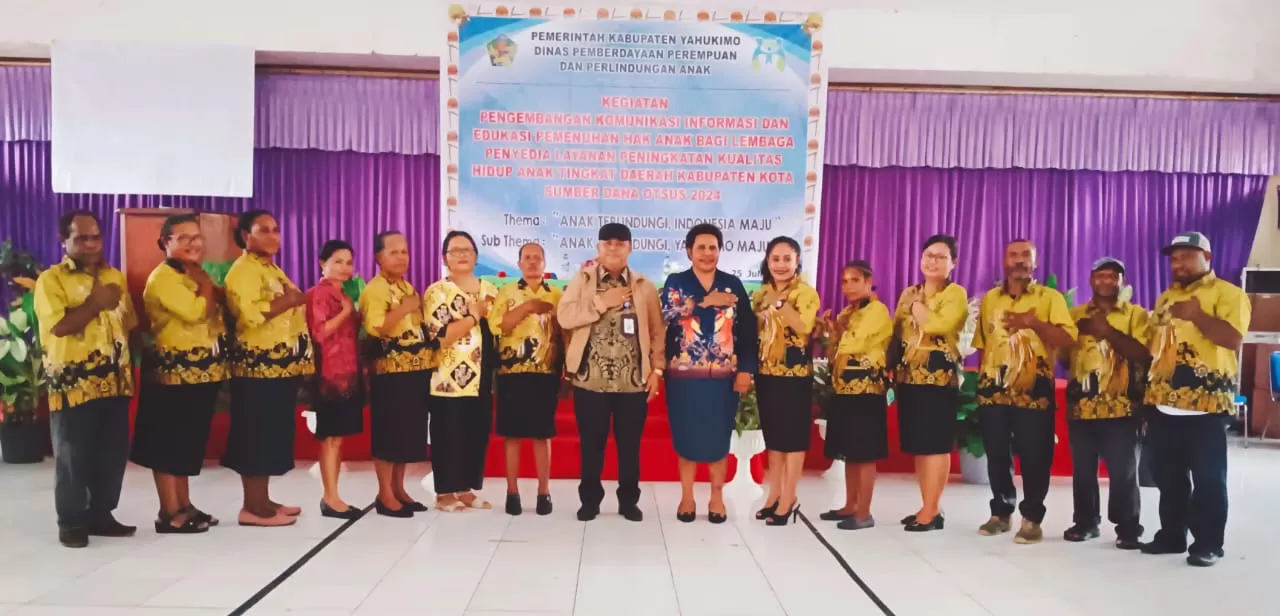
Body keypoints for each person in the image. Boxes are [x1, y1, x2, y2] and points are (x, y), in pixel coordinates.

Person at [1142, 232, 1250, 567]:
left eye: (1187, 256)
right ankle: (1172, 535)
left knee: (1208, 479)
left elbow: (1232, 339)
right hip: (1163, 404)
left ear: (1207, 255)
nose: (1179, 264)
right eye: (1174, 258)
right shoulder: (1165, 298)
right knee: (1168, 477)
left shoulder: (1229, 294)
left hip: (1206, 407)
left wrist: (1197, 315)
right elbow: (1151, 345)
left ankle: (1208, 543)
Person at [34, 210, 138, 548]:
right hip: (73, 384)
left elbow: (129, 324)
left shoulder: (115, 277)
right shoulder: (51, 281)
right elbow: (58, 327)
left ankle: (101, 514)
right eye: (82, 238)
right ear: (63, 241)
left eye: (95, 236)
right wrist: (94, 304)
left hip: (115, 381)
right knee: (72, 454)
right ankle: (72, 521)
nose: (91, 244)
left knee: (110, 453)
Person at [558, 222, 664, 522]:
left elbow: (657, 331)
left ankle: (628, 501)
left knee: (630, 447)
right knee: (591, 444)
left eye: (620, 243)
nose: (614, 247)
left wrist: (657, 369)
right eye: (607, 243)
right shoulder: (583, 280)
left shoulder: (644, 286)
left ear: (630, 248)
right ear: (598, 248)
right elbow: (564, 317)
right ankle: (590, 501)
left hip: (633, 382)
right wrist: (601, 303)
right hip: (590, 380)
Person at [973, 239, 1077, 544]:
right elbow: (983, 343)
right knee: (996, 454)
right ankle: (1001, 512)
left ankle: (1032, 518)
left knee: (1035, 454)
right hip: (994, 388)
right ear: (1005, 260)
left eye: (1025, 256)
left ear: (1035, 261)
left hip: (1034, 387)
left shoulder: (1050, 298)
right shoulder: (991, 298)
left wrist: (1034, 324)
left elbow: (1068, 338)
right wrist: (982, 383)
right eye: (1013, 255)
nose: (1019, 261)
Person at [131, 213, 227, 535]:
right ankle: (168, 511)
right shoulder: (164, 278)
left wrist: (207, 287)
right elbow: (196, 312)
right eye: (182, 238)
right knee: (167, 442)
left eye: (196, 237)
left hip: (198, 372)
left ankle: (184, 505)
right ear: (165, 243)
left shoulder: (194, 274)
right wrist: (206, 288)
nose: (192, 243)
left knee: (186, 441)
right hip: (172, 373)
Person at [660, 224, 757, 524]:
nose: (707, 253)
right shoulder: (676, 282)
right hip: (684, 377)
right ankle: (687, 496)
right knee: (686, 436)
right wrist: (704, 302)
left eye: (713, 247)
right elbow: (666, 315)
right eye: (701, 247)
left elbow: (747, 330)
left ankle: (716, 496)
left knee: (718, 438)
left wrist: (746, 370)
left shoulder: (733, 284)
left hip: (723, 378)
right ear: (689, 251)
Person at [222, 210, 312, 527]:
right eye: (264, 230)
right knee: (257, 434)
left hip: (279, 367)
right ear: (246, 236)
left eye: (275, 229)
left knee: (272, 433)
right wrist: (288, 301)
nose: (273, 235)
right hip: (257, 369)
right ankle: (252, 508)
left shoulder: (269, 268)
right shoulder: (244, 270)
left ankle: (263, 499)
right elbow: (249, 316)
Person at [1061, 257, 1151, 549]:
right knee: (1083, 470)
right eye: (1101, 275)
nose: (1106, 281)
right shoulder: (1074, 315)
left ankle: (1128, 526)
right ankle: (1086, 522)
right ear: (1091, 280)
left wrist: (1107, 331)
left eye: (1113, 276)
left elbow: (1143, 355)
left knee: (1123, 470)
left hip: (1123, 407)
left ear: (1122, 281)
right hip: (1082, 406)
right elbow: (1064, 358)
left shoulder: (1137, 316)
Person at [892, 234, 968, 533]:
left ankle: (932, 510)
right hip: (909, 376)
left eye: (940, 256)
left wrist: (917, 307)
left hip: (939, 378)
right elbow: (897, 330)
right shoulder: (909, 292)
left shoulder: (955, 294)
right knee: (921, 446)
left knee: (936, 445)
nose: (932, 261)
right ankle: (926, 505)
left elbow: (937, 325)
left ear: (953, 263)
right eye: (928, 255)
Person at [360, 231, 434, 518]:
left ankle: (400, 489)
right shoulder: (375, 289)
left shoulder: (406, 286)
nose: (402, 257)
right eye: (394, 252)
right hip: (389, 374)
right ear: (378, 257)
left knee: (406, 434)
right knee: (388, 434)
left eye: (405, 251)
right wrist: (403, 309)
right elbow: (376, 328)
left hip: (414, 370)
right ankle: (385, 494)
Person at [424, 231, 499, 512]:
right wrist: (473, 316)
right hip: (447, 378)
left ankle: (465, 489)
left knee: (475, 433)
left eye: (467, 249)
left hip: (482, 376)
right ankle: (444, 493)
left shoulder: (489, 289)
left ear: (476, 255)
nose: (462, 255)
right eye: (455, 251)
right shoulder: (437, 292)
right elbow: (442, 336)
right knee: (448, 433)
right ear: (445, 258)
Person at [818, 260, 893, 531]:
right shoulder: (847, 312)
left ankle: (864, 511)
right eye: (844, 281)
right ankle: (850, 504)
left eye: (854, 280)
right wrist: (833, 329)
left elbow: (856, 342)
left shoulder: (877, 310)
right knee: (849, 452)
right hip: (844, 388)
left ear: (868, 281)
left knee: (864, 452)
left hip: (867, 389)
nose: (848, 286)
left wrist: (840, 330)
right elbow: (836, 347)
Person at [751, 236, 820, 527]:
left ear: (797, 262)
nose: (780, 265)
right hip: (767, 374)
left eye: (786, 259)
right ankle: (774, 494)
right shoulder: (760, 293)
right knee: (774, 439)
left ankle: (790, 496)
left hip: (794, 376)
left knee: (792, 440)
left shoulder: (806, 293)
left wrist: (780, 304)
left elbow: (804, 327)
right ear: (767, 261)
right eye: (775, 259)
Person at [490, 242, 563, 516]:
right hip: (512, 374)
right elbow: (497, 325)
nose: (532, 262)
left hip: (545, 373)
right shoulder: (507, 292)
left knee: (543, 435)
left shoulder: (556, 294)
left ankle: (544, 492)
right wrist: (529, 307)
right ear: (519, 263)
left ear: (545, 263)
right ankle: (512, 492)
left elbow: (563, 333)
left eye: (538, 258)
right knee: (512, 435)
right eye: (527, 258)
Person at [305, 240, 365, 520]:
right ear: (322, 263)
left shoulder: (347, 293)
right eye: (338, 261)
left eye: (349, 262)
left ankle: (334, 494)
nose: (344, 267)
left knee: (338, 439)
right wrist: (345, 312)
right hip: (330, 376)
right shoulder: (318, 295)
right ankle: (329, 497)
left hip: (349, 375)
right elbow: (320, 332)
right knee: (330, 438)